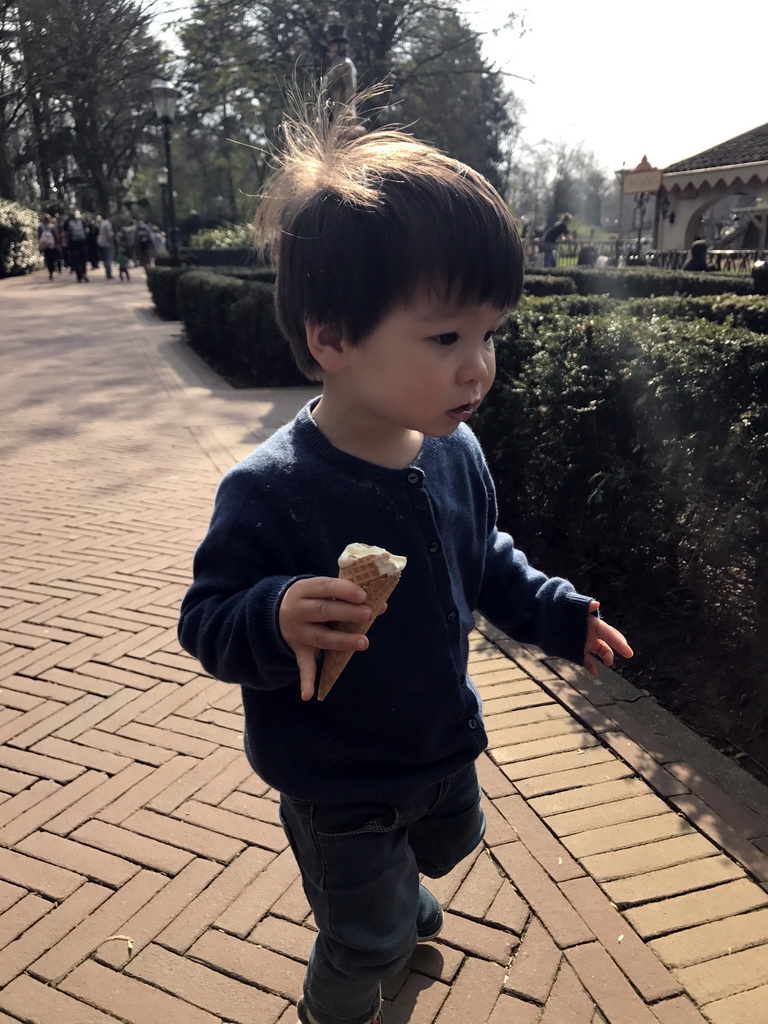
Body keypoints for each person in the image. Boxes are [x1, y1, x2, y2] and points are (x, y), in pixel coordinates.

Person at [177, 115, 633, 1024]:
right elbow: (207, 619)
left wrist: (553, 612)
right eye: (443, 340)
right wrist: (272, 617)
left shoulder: (454, 454)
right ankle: (341, 990)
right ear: (333, 336)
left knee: (449, 844)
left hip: (437, 743)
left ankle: (398, 901)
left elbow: (485, 555)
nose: (479, 369)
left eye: (490, 335)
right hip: (335, 773)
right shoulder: (271, 489)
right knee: (367, 942)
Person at [64, 210, 89, 282]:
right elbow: (87, 231)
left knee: (76, 259)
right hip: (82, 242)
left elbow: (65, 229)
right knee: (83, 259)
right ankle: (84, 273)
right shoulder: (82, 221)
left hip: (73, 243)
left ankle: (79, 276)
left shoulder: (68, 222)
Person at [37, 215, 60, 280]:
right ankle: (52, 272)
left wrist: (40, 245)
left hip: (45, 245)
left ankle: (50, 272)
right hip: (52, 245)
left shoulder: (41, 227)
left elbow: (39, 236)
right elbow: (56, 236)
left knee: (48, 259)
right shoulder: (53, 227)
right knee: (52, 259)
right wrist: (57, 244)